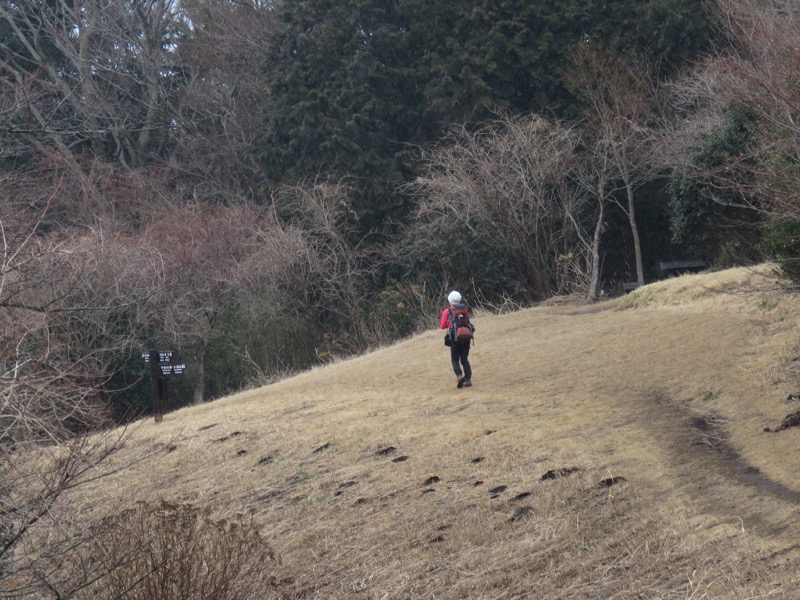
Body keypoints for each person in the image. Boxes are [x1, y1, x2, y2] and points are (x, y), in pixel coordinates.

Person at [440, 290, 473, 388]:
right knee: (464, 359)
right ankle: (468, 379)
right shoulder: (464, 309)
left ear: (449, 301)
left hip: (455, 338)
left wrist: (449, 324)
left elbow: (442, 326)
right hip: (466, 337)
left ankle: (459, 376)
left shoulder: (448, 311)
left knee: (455, 359)